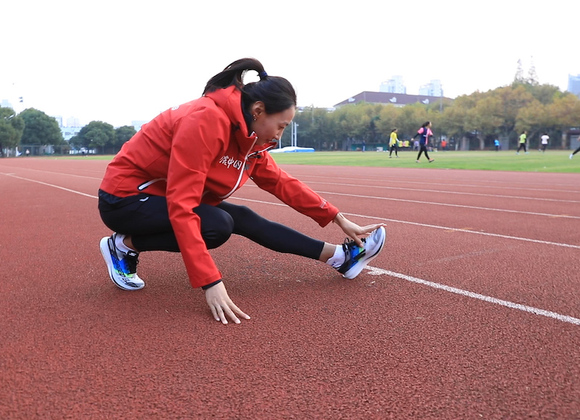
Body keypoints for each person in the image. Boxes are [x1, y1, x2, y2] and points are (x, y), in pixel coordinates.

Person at [98, 58, 387, 325]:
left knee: (243, 217)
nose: (279, 136)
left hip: (160, 194)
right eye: (281, 126)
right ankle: (123, 246)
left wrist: (337, 217)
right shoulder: (205, 120)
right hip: (124, 198)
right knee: (216, 225)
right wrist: (210, 282)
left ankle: (340, 258)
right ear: (258, 111)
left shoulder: (250, 138)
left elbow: (281, 183)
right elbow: (182, 204)